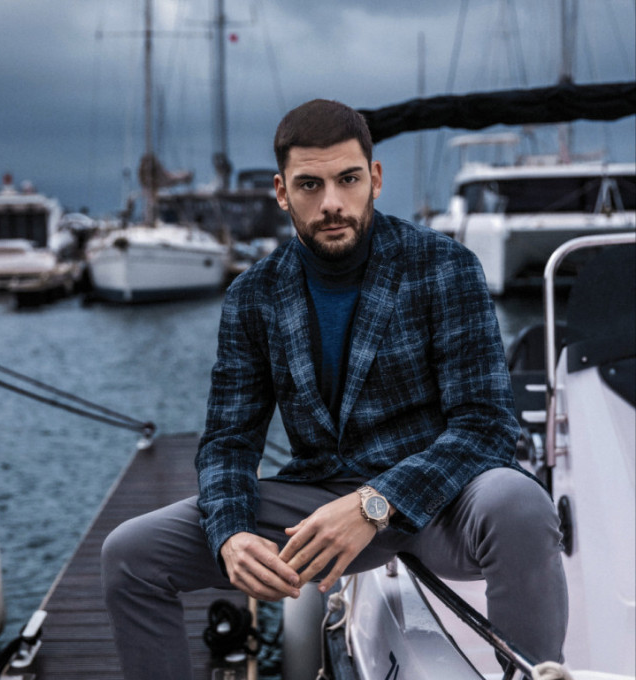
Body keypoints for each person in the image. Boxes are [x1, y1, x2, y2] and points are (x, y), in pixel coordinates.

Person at [102, 99, 567, 679]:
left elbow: (486, 427)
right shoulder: (253, 295)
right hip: (318, 502)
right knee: (131, 554)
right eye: (309, 185)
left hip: (442, 502)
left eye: (348, 179)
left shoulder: (444, 265)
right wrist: (231, 535)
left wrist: (376, 503)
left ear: (375, 179)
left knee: (520, 502)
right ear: (281, 191)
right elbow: (228, 442)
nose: (331, 203)